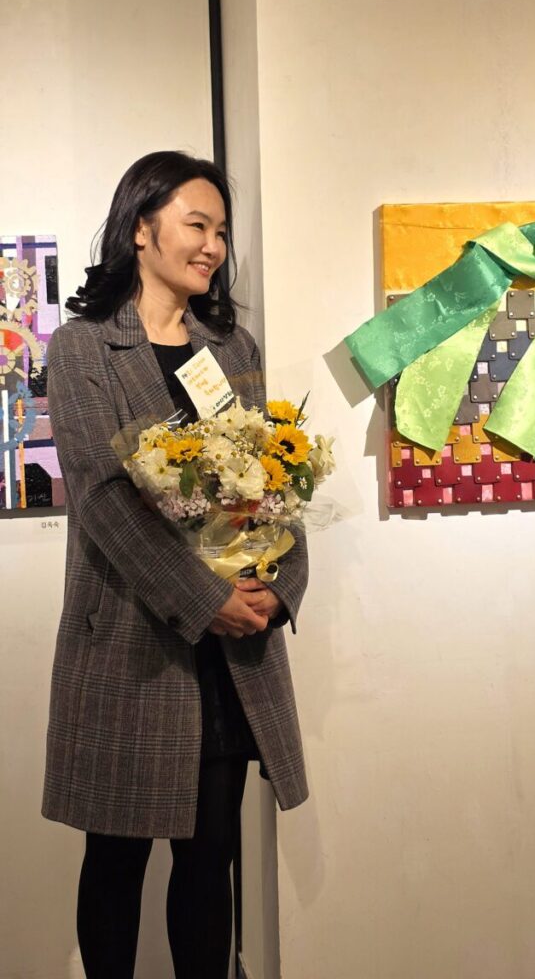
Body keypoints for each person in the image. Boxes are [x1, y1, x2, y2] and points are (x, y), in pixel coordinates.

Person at [42, 151, 308, 979]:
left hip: (229, 656)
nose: (213, 247)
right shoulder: (83, 349)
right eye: (197, 225)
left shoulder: (230, 346)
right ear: (140, 227)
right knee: (115, 860)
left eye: (221, 231)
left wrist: (275, 589)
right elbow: (103, 498)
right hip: (130, 646)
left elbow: (274, 476)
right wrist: (205, 598)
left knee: (209, 855)